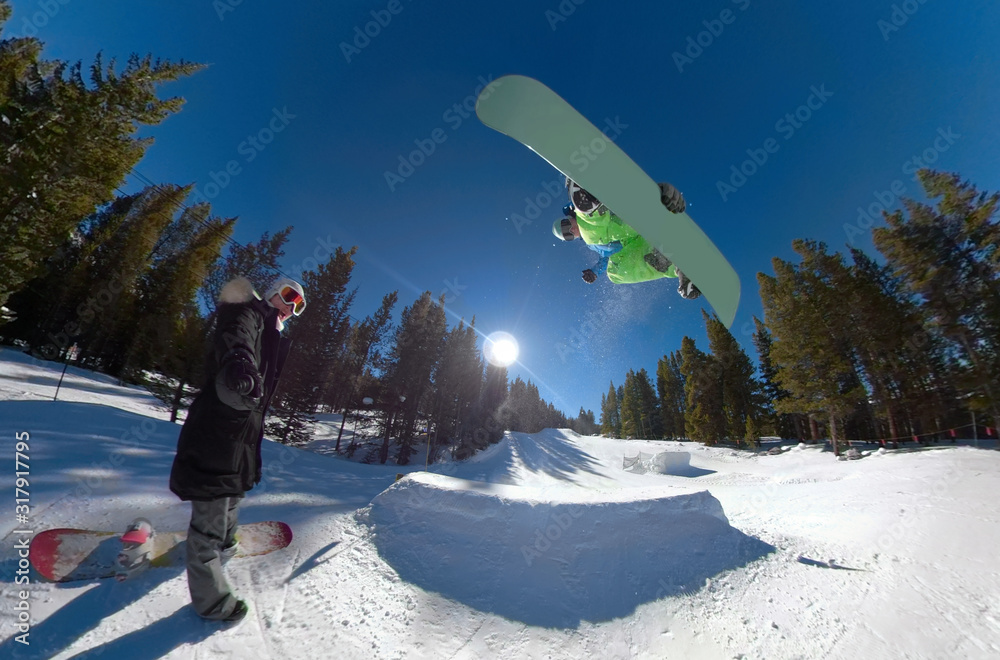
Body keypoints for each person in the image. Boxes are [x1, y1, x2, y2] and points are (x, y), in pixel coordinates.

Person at [169, 276, 306, 622]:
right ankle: (211, 602)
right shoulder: (247, 312)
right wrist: (240, 363)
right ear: (273, 291)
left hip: (240, 434)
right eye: (289, 296)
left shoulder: (273, 333)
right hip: (217, 429)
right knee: (212, 507)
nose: (292, 307)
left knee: (233, 493)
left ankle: (226, 543)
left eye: (299, 305)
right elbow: (236, 335)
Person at [552, 179, 701, 299]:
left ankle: (590, 208)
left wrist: (652, 195)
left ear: (568, 218)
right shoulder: (593, 243)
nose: (571, 230)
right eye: (569, 235)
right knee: (614, 275)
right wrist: (595, 272)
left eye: (566, 226)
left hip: (628, 223)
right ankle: (675, 264)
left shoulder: (591, 234)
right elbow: (606, 258)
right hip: (640, 244)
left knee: (591, 235)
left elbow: (620, 194)